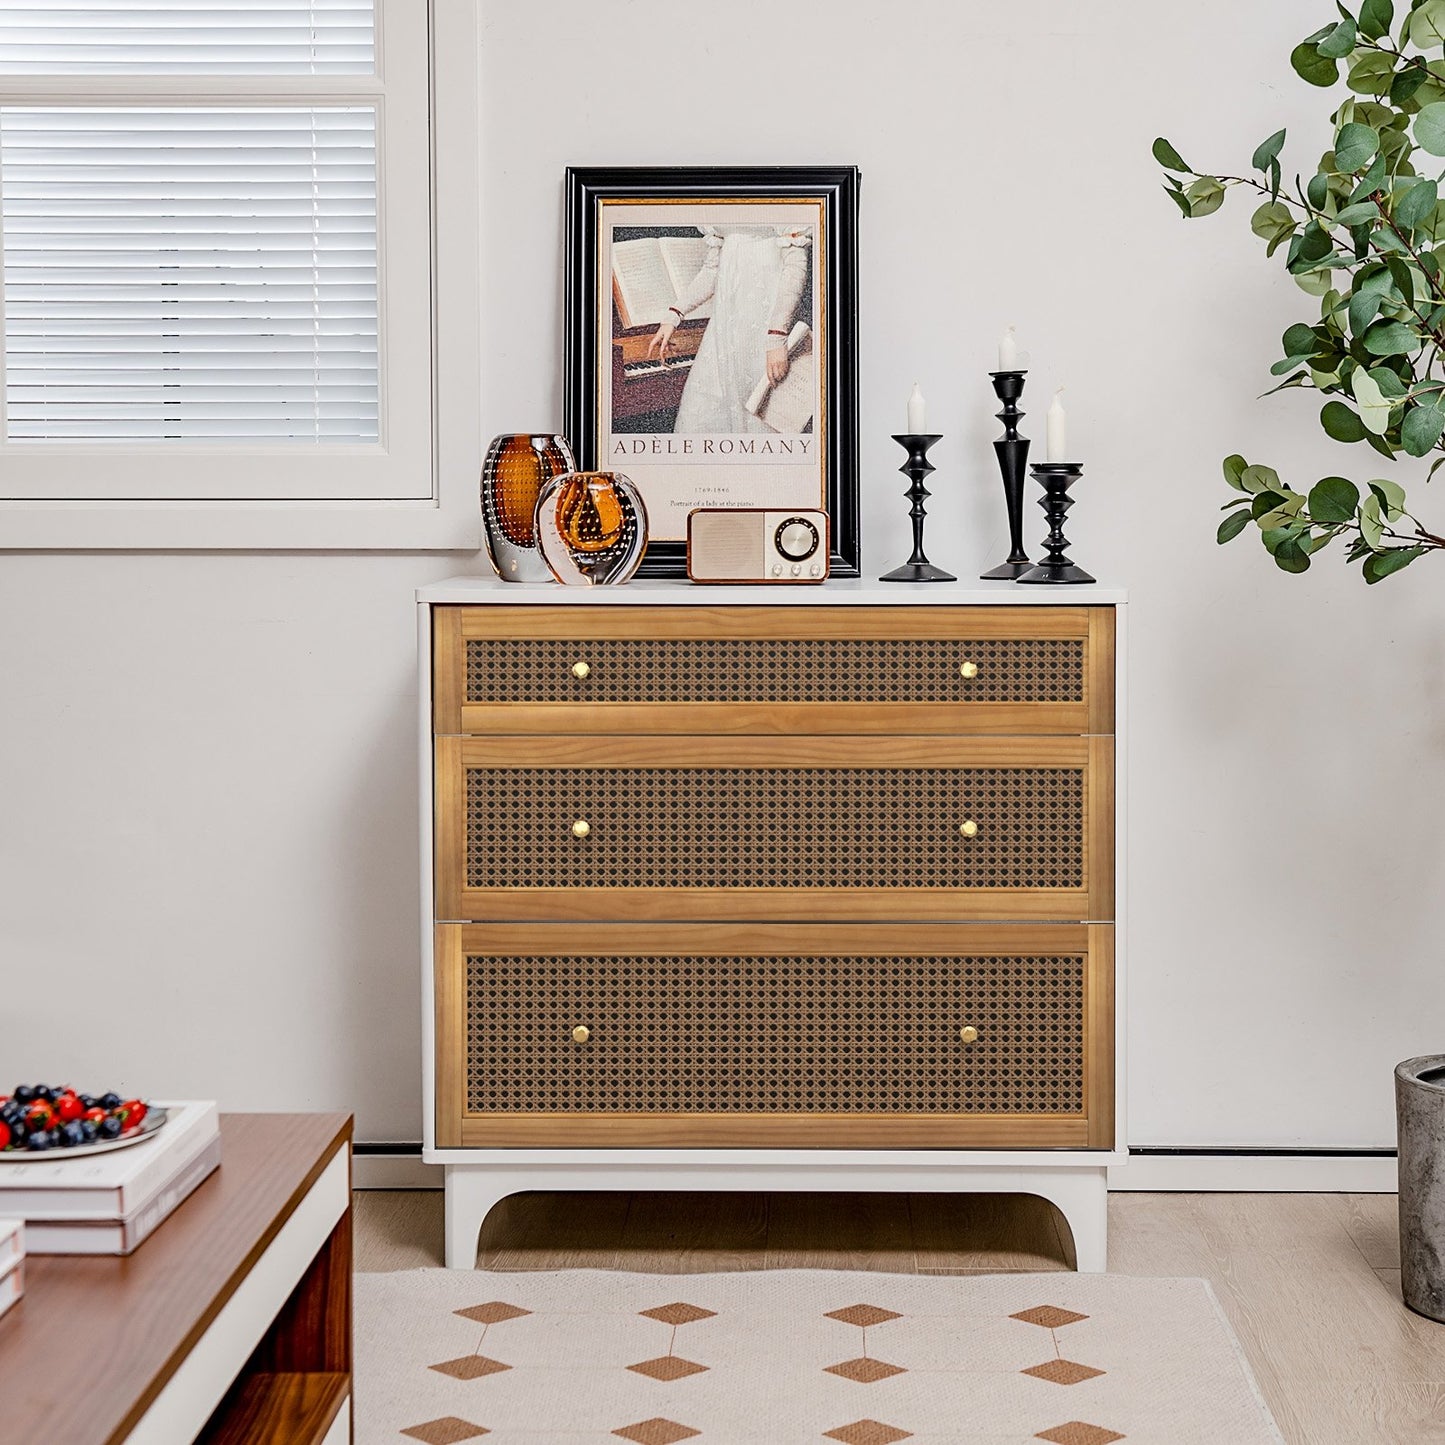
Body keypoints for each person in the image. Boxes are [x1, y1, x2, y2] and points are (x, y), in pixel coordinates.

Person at [646, 223, 811, 433]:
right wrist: (674, 314)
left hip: (764, 327)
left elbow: (795, 267)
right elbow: (712, 270)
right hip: (724, 329)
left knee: (760, 417)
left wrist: (777, 336)